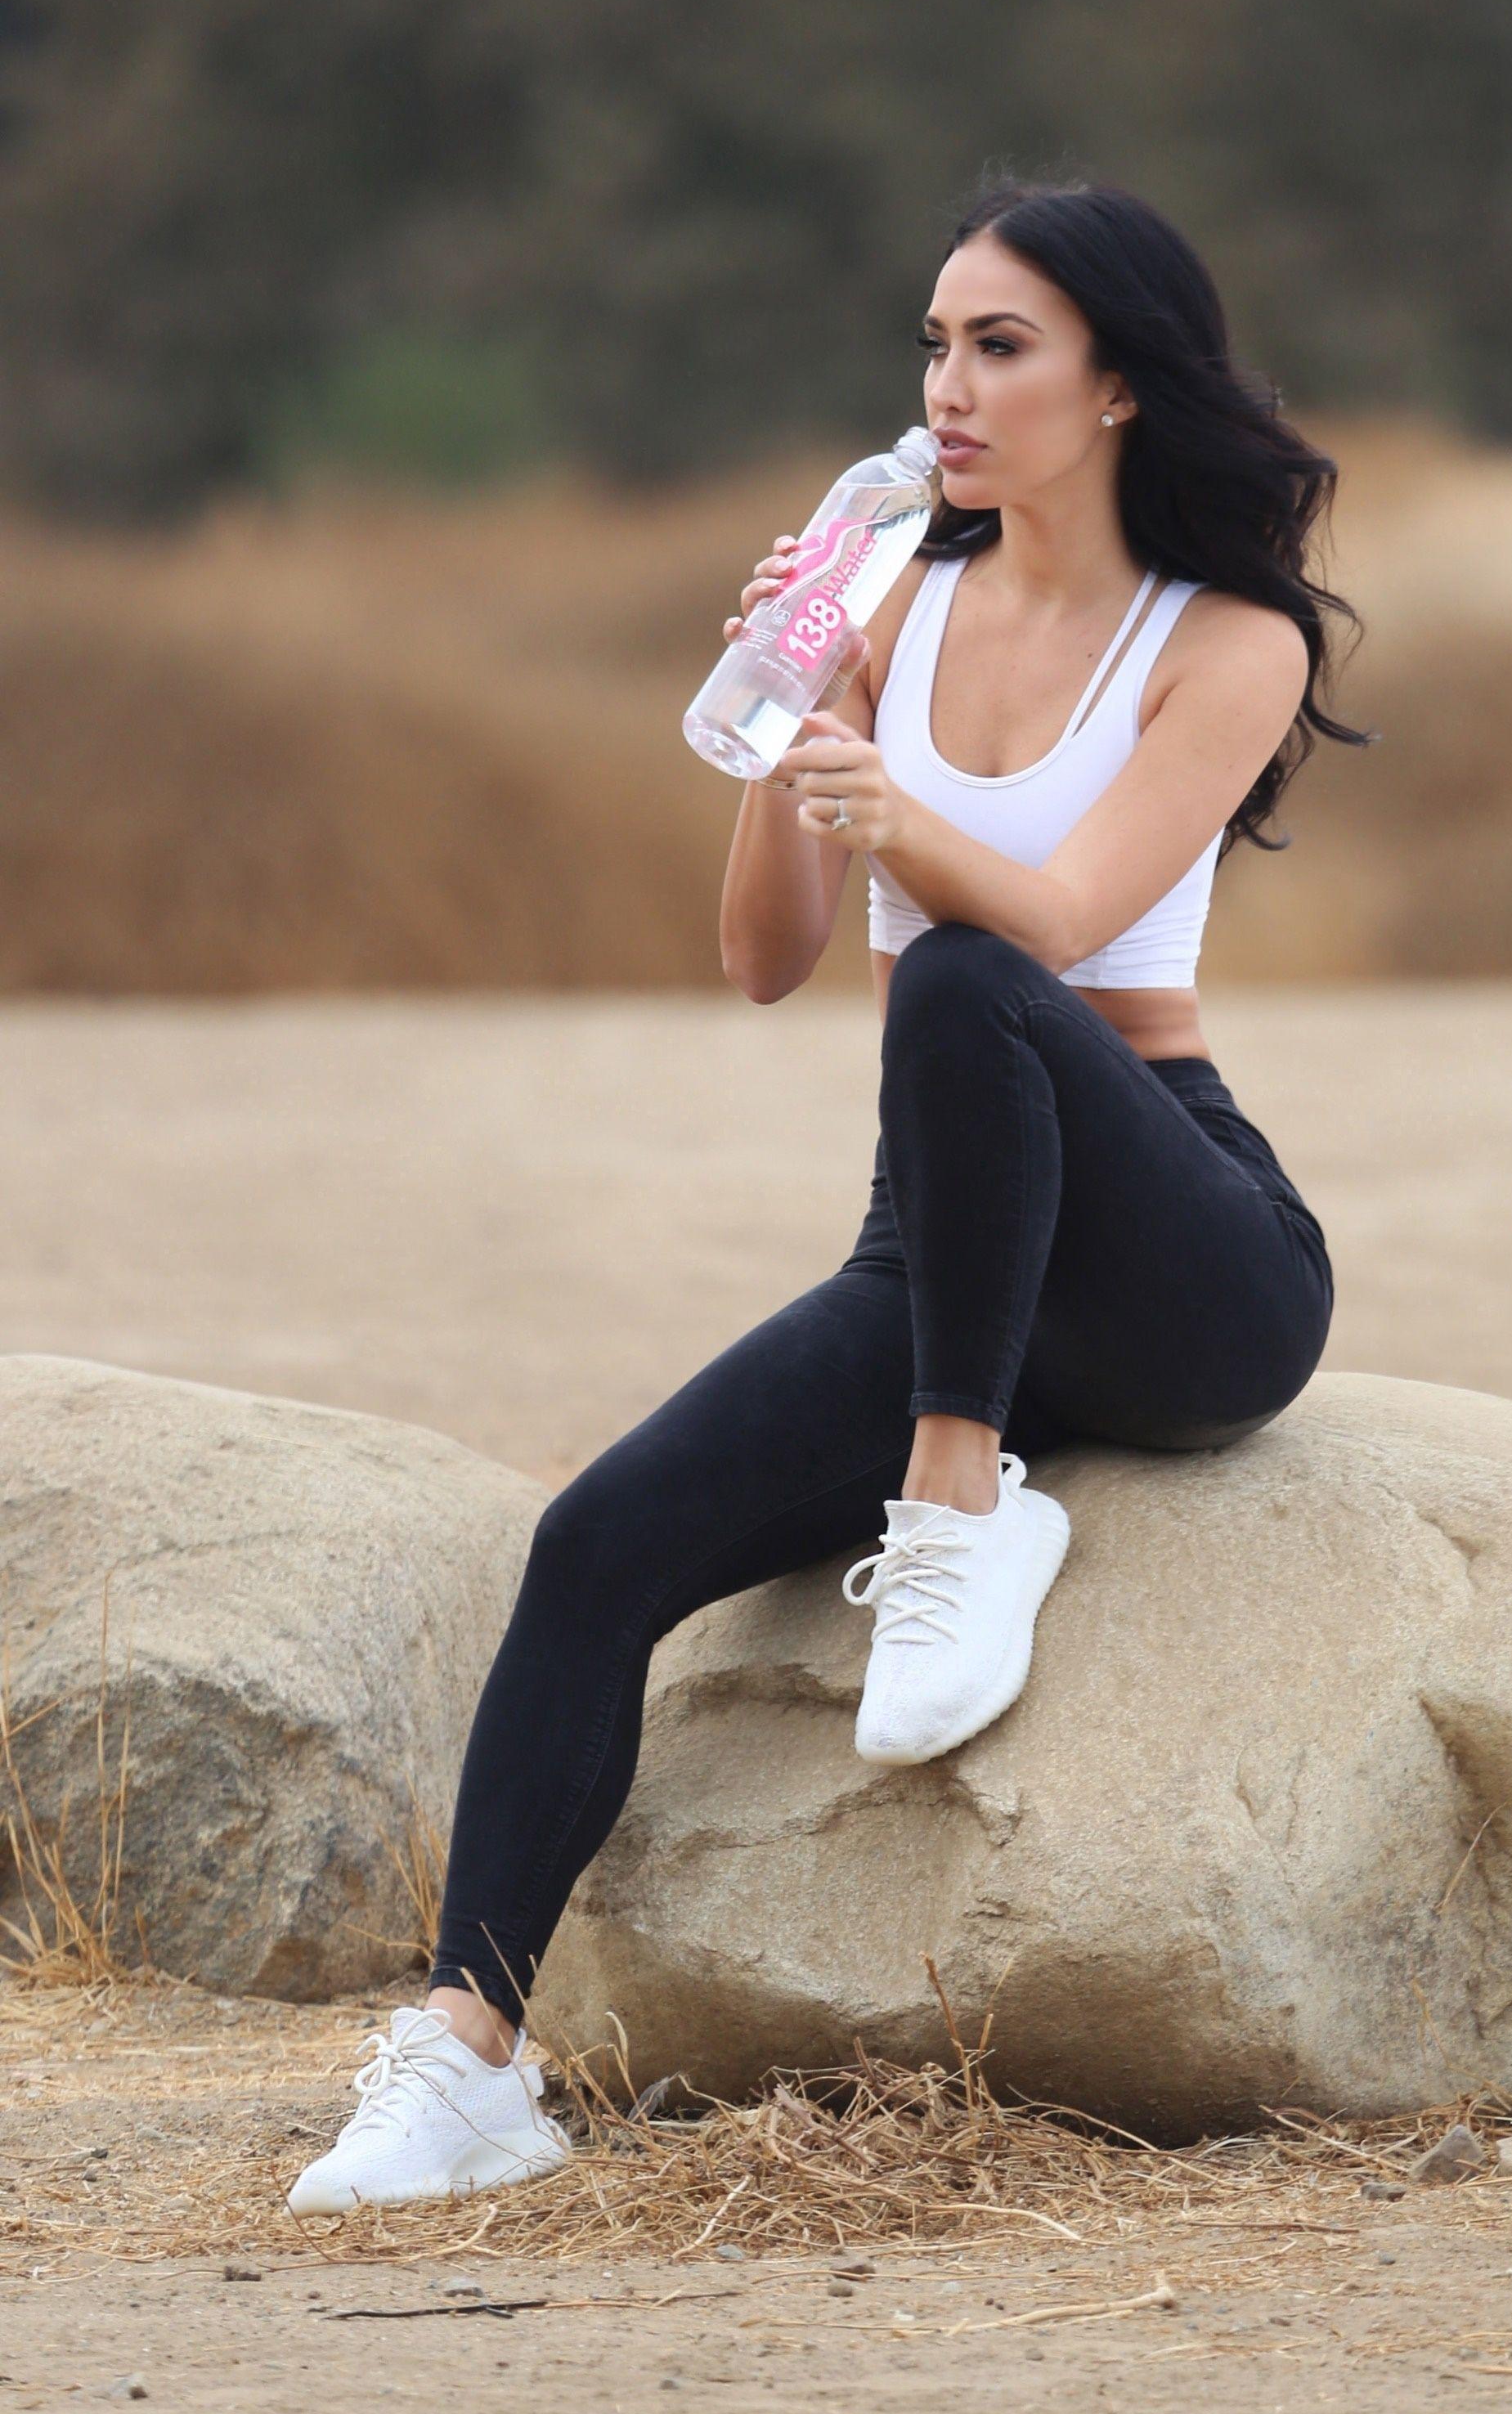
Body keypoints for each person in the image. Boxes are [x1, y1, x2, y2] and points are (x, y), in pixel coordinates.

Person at [285, 175, 1367, 2219]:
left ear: (1120, 387)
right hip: (951, 1231)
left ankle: (959, 1498)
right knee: (595, 1541)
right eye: (934, 344)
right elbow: (765, 957)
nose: (948, 385)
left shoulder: (1224, 638)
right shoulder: (888, 598)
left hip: (1182, 1244)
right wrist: (807, 724)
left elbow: (1057, 921)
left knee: (964, 974)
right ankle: (465, 2061)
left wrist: (900, 809)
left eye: (1000, 346)